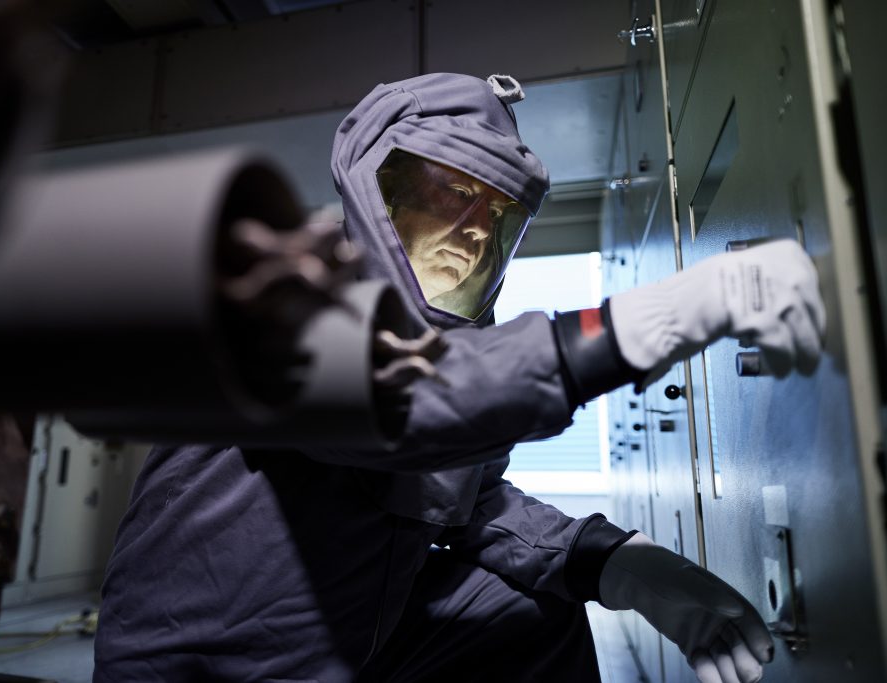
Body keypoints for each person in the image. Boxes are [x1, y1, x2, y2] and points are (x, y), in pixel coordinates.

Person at [94, 73, 824, 683]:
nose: (476, 227)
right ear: (382, 187)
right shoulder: (289, 304)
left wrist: (612, 561)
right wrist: (638, 325)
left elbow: (468, 499)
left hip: (350, 648)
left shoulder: (447, 356)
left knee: (530, 617)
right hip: (202, 666)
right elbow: (401, 407)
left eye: (497, 211)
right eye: (451, 191)